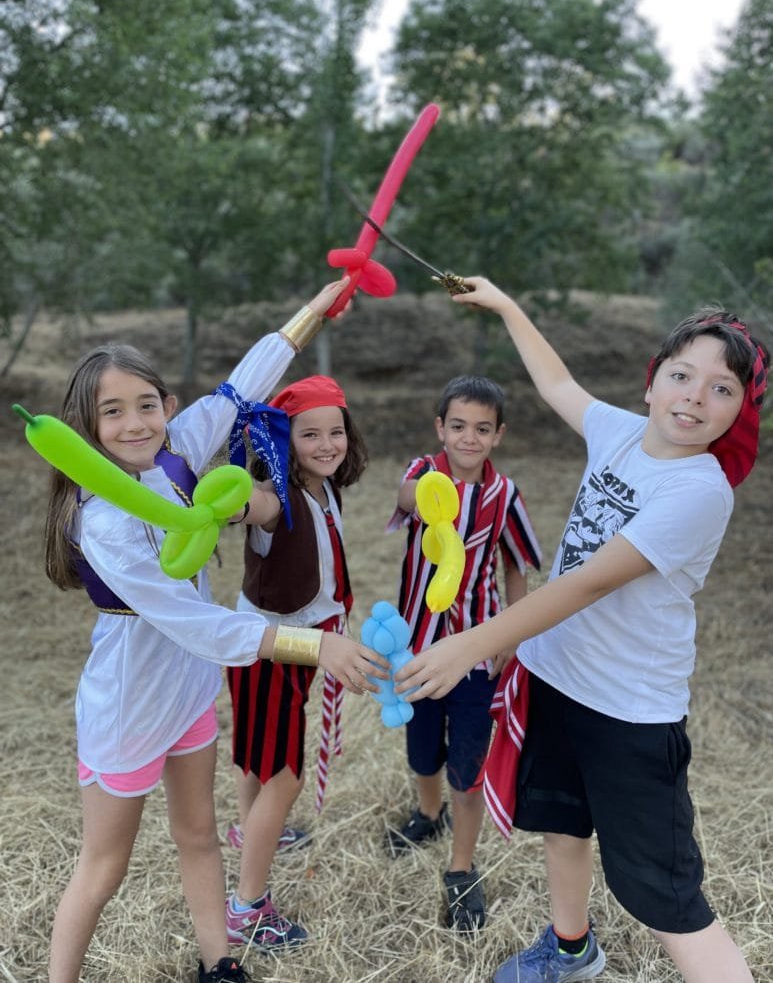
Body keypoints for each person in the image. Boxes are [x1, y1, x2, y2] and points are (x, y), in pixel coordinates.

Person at [395, 278, 768, 983]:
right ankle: (572, 951)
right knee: (561, 824)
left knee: (663, 897)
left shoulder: (699, 490)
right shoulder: (620, 432)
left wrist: (472, 641)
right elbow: (557, 382)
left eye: (721, 389)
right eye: (681, 375)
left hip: (628, 712)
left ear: (737, 413)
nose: (694, 396)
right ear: (651, 381)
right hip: (557, 680)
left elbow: (586, 583)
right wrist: (505, 305)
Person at [42, 279, 390, 983]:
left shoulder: (176, 452)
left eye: (147, 405)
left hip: (189, 696)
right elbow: (191, 622)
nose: (135, 423)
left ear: (168, 407)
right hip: (129, 705)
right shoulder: (103, 520)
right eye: (113, 412)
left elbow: (239, 389)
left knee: (199, 835)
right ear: (85, 426)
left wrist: (313, 311)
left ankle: (218, 964)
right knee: (104, 869)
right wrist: (314, 645)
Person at [384, 375, 541, 932]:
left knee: (468, 764)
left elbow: (517, 564)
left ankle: (461, 867)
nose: (468, 438)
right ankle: (429, 812)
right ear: (440, 428)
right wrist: (431, 494)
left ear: (498, 435)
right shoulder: (423, 474)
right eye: (458, 426)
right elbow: (405, 497)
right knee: (423, 751)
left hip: (477, 653)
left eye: (481, 429)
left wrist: (512, 635)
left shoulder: (505, 495)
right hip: (419, 648)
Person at [223, 374, 369, 951]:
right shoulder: (275, 496)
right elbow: (250, 504)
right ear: (284, 442)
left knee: (257, 758)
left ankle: (249, 830)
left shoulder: (324, 489)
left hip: (304, 646)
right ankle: (247, 908)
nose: (327, 444)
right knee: (284, 776)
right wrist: (230, 500)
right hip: (270, 651)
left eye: (336, 431)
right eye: (310, 434)